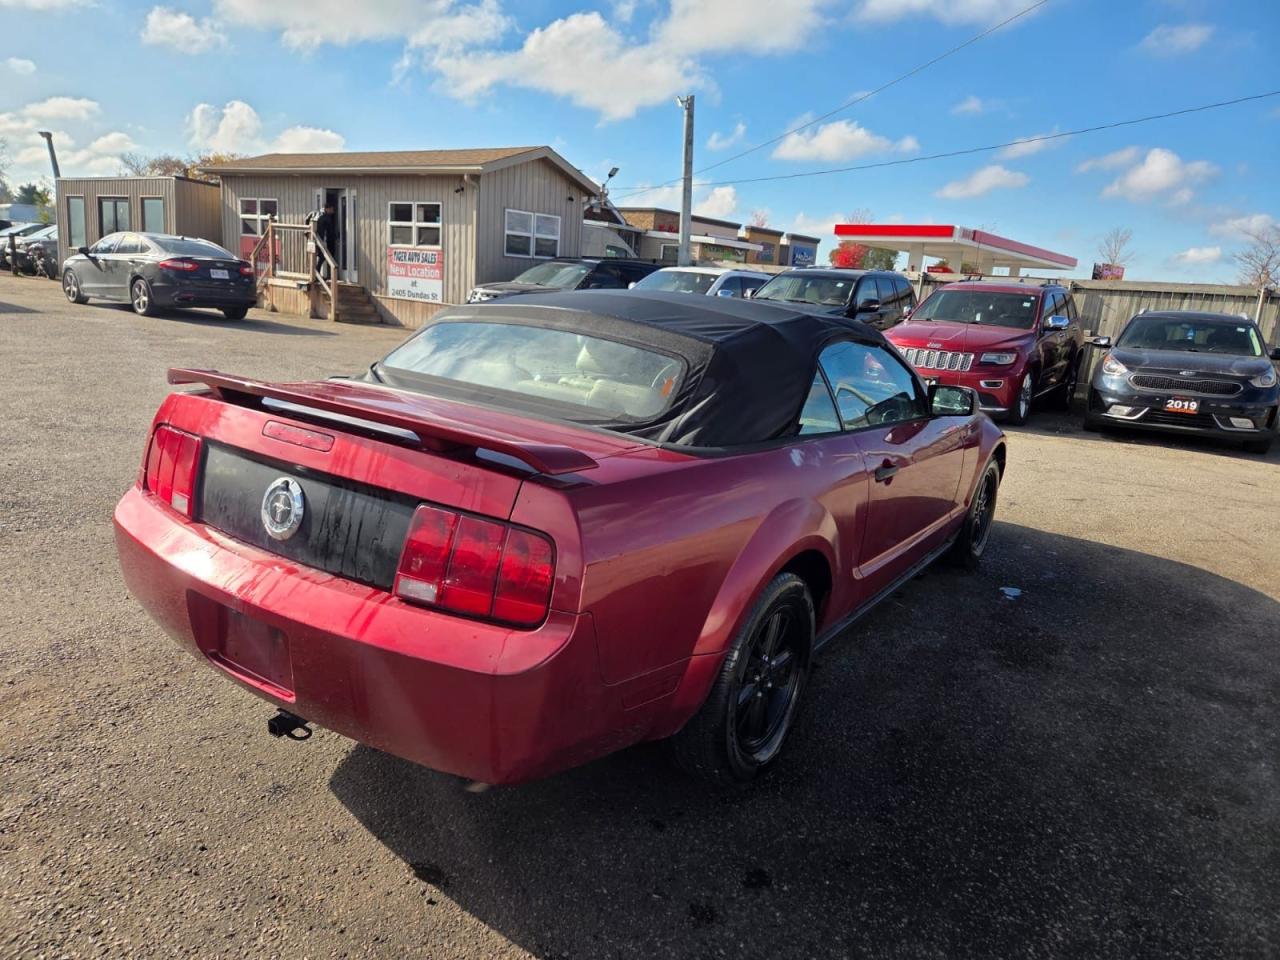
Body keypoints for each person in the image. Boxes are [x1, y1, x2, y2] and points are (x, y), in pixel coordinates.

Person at [315, 202, 337, 279]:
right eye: (331, 209)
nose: (333, 211)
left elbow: (307, 219)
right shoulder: (324, 217)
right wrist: (334, 237)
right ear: (327, 209)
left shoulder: (317, 214)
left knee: (321, 256)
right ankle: (316, 275)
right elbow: (329, 230)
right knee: (322, 256)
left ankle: (317, 274)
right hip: (320, 240)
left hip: (316, 239)